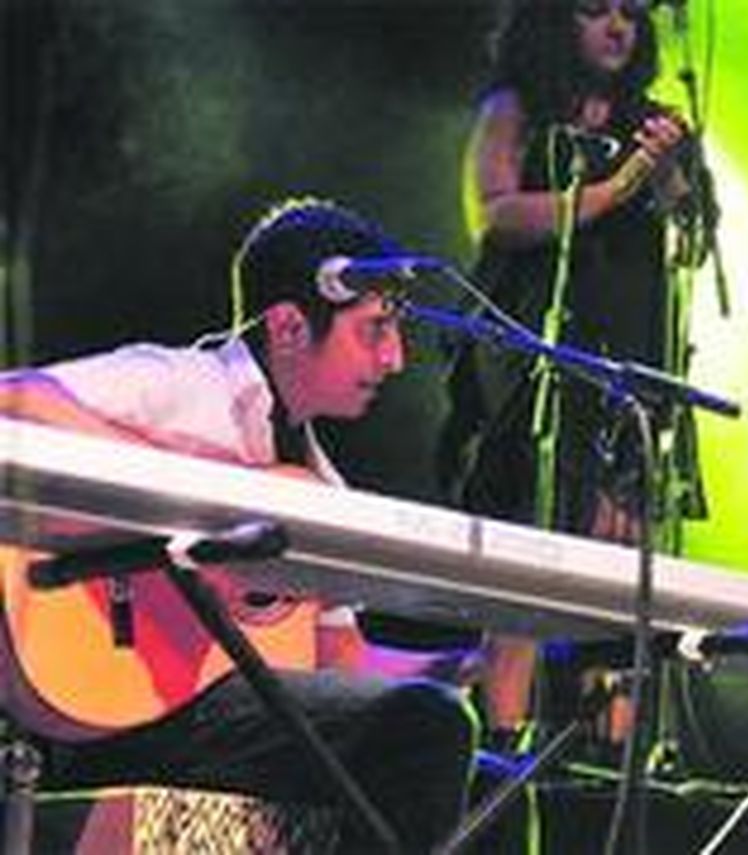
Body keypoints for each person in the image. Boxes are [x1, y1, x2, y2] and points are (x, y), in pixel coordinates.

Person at [0, 198, 480, 851]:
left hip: (209, 716)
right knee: (427, 728)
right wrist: (206, 497)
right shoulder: (185, 385)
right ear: (288, 326)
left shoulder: (319, 483)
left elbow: (339, 667)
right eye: (374, 330)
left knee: (476, 767)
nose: (395, 358)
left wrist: (464, 659)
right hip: (111, 699)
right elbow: (19, 399)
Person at [436, 0, 701, 749]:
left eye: (630, 14)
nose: (618, 28)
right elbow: (493, 213)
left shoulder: (655, 123)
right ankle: (501, 747)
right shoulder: (517, 107)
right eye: (595, 10)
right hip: (535, 353)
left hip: (631, 357)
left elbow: (690, 241)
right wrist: (617, 188)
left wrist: (668, 175)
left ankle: (608, 758)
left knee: (619, 556)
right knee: (530, 545)